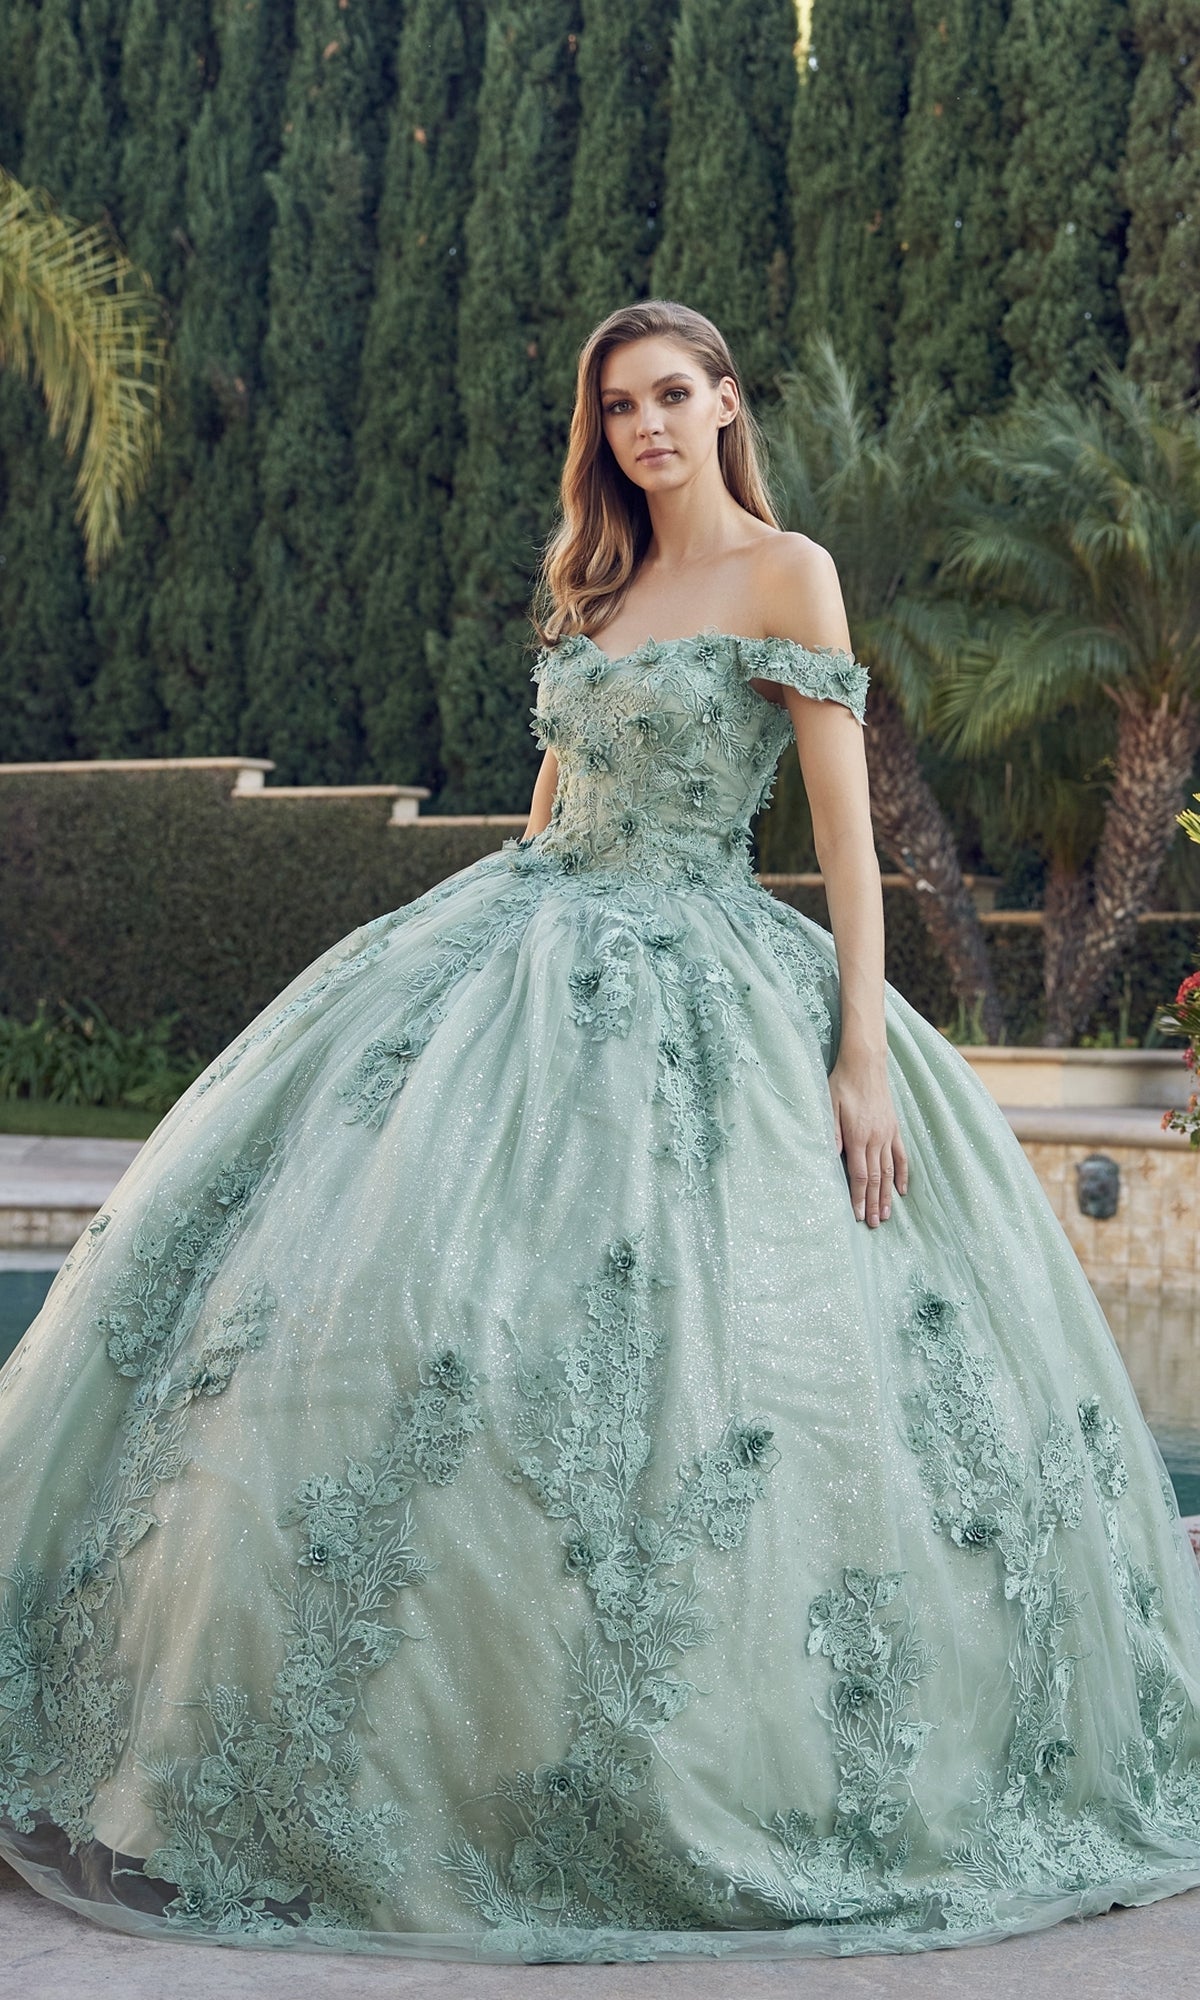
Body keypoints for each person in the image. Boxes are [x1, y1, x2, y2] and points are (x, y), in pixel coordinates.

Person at [2, 299, 1200, 1966]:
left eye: (672, 395)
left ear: (726, 403)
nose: (645, 427)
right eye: (619, 405)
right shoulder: (599, 585)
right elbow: (559, 803)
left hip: (721, 975)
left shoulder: (790, 572)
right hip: (520, 956)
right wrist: (483, 944)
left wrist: (861, 1053)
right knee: (421, 1317)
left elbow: (848, 848)